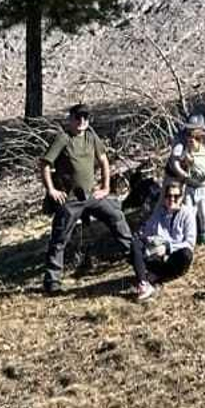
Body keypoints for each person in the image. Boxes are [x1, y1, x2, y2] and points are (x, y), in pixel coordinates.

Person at [41, 105, 134, 294]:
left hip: (92, 195)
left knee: (116, 216)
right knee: (60, 238)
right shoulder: (63, 138)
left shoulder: (91, 135)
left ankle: (137, 258)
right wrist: (51, 190)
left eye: (85, 117)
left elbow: (104, 159)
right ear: (71, 118)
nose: (82, 121)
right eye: (78, 117)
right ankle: (52, 281)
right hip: (71, 198)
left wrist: (106, 187)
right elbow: (44, 164)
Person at [128, 175, 198, 300]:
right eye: (168, 196)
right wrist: (144, 240)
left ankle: (156, 276)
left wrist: (167, 248)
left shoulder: (187, 215)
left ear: (181, 198)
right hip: (157, 255)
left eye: (176, 196)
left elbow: (190, 243)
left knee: (186, 254)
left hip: (175, 255)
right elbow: (148, 230)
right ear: (164, 198)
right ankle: (144, 283)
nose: (172, 199)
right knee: (135, 245)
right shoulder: (159, 211)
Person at [165, 120, 205, 247]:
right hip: (190, 187)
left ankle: (204, 234)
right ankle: (190, 236)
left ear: (200, 140)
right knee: (189, 212)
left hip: (203, 187)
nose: (190, 142)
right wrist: (183, 174)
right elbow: (176, 162)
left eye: (193, 140)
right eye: (189, 139)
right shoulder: (186, 152)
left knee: (204, 212)